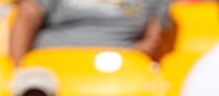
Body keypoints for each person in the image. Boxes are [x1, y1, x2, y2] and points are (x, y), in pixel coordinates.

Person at [9, 0, 171, 60]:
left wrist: (137, 54)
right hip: (54, 62)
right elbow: (27, 17)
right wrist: (18, 71)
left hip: (119, 68)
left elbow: (154, 39)